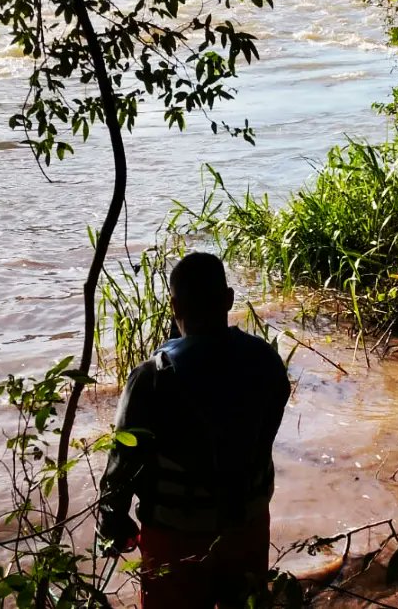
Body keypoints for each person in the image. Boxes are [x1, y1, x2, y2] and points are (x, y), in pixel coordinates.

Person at [97, 252, 290, 608]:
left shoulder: (151, 378)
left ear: (173, 306)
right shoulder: (266, 361)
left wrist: (111, 523)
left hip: (176, 537)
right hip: (246, 525)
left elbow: (122, 465)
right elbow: (264, 434)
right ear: (229, 299)